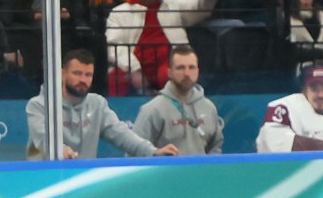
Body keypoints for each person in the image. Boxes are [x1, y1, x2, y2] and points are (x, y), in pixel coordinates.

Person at [26, 47, 171, 158]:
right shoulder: (38, 105)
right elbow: (44, 140)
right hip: (45, 179)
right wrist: (62, 151)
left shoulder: (97, 104)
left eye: (88, 74)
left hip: (83, 183)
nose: (83, 79)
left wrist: (153, 152)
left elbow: (122, 134)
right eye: (77, 73)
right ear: (63, 74)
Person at [130, 43, 224, 154]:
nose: (187, 73)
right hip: (165, 171)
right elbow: (133, 152)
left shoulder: (209, 108)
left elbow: (216, 147)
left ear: (198, 71)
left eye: (191, 67)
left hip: (201, 171)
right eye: (180, 68)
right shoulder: (153, 110)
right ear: (169, 72)